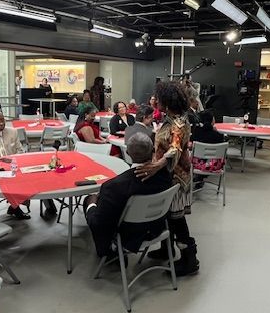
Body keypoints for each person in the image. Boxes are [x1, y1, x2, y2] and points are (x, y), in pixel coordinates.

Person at [134, 81, 199, 276]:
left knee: (177, 218)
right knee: (167, 215)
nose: (155, 102)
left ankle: (190, 260)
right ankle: (166, 249)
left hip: (177, 177)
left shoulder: (179, 123)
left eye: (159, 99)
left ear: (168, 102)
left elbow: (175, 149)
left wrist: (156, 165)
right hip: (168, 175)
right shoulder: (169, 119)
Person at [83, 133, 172, 258]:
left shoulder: (114, 186)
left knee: (90, 201)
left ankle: (107, 252)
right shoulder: (166, 176)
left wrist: (91, 204)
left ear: (127, 153)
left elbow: (98, 224)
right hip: (157, 227)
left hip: (128, 236)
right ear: (153, 150)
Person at [191, 111, 225, 187]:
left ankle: (198, 178)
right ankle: (201, 178)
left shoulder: (196, 132)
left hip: (196, 165)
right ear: (212, 120)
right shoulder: (218, 136)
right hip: (214, 165)